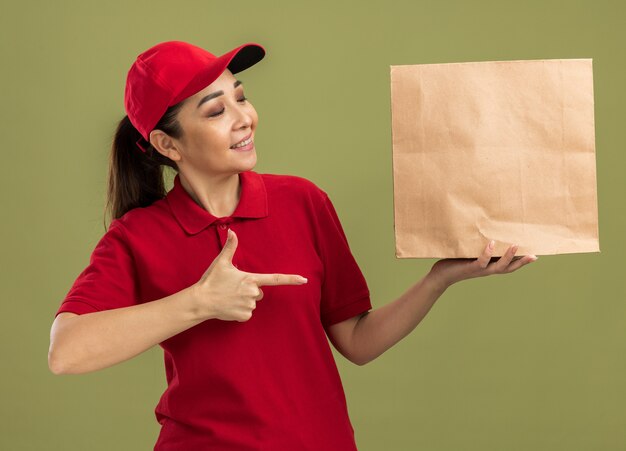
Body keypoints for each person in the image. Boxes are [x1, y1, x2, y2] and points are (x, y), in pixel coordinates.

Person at [47, 40, 538, 450]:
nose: (244, 118)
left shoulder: (302, 201)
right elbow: (66, 352)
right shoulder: (138, 237)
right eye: (217, 110)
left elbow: (357, 342)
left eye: (240, 97)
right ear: (167, 145)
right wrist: (198, 302)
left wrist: (440, 278)